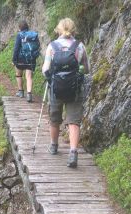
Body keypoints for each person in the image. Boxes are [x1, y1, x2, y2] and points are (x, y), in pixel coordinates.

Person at [42, 18, 90, 168]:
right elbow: (87, 69)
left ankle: (54, 146)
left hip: (56, 88)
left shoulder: (52, 46)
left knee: (55, 118)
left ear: (58, 29)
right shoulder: (80, 46)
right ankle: (73, 153)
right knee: (73, 121)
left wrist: (52, 77)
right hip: (75, 88)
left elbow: (45, 70)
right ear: (74, 29)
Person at [12, 20, 39, 103]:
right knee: (29, 77)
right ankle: (29, 94)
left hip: (21, 59)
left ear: (20, 28)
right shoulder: (33, 35)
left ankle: (20, 92)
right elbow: (38, 46)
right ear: (27, 27)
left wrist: (14, 60)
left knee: (18, 74)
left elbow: (16, 48)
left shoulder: (19, 35)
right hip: (31, 59)